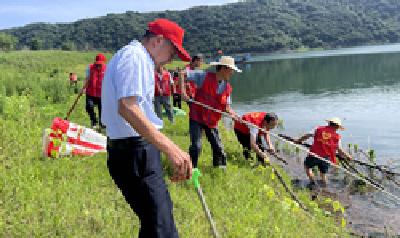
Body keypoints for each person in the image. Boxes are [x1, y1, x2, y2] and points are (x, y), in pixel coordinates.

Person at [101, 18, 192, 238]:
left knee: (156, 222)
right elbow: (128, 108)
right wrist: (171, 149)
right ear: (158, 41)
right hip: (133, 152)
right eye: (172, 52)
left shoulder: (141, 59)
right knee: (163, 229)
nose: (172, 59)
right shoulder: (134, 57)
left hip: (138, 150)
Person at [180, 56, 241, 169]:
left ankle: (219, 171)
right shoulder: (203, 76)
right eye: (231, 70)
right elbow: (183, 73)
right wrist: (183, 93)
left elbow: (227, 107)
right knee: (196, 146)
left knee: (218, 148)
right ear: (224, 68)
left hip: (211, 121)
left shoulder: (227, 87)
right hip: (197, 117)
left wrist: (235, 116)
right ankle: (191, 170)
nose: (232, 73)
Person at [296, 117, 352, 188]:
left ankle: (312, 182)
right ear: (337, 127)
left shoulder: (318, 129)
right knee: (323, 174)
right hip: (326, 158)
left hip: (314, 155)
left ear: (329, 123)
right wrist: (347, 156)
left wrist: (298, 141)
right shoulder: (337, 137)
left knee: (307, 167)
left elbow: (307, 135)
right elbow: (339, 150)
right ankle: (325, 187)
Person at [83, 53, 107, 130]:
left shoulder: (107, 69)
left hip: (102, 93)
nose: (98, 66)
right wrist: (83, 88)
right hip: (90, 92)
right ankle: (94, 121)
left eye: (100, 64)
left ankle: (102, 124)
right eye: (97, 64)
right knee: (89, 106)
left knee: (102, 110)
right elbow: (87, 78)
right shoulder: (90, 68)